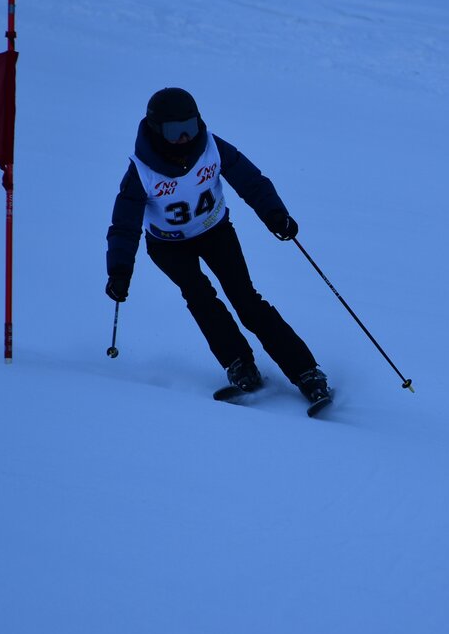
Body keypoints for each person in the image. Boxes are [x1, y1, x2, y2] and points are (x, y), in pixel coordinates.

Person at [104, 87, 331, 405]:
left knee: (246, 300)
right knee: (200, 298)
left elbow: (251, 181)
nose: (185, 137)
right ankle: (239, 364)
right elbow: (124, 226)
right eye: (174, 131)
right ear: (156, 131)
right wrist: (119, 270)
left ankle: (306, 371)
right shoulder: (142, 171)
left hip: (216, 233)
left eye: (190, 127)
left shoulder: (211, 147)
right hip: (168, 247)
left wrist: (275, 214)